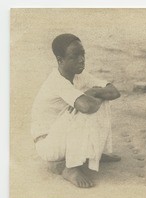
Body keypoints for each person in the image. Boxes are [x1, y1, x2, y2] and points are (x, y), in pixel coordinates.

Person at [31, 33, 121, 188]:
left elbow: (114, 92)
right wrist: (91, 95)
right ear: (60, 60)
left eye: (82, 54)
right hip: (48, 143)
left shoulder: (79, 75)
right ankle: (70, 168)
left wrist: (92, 93)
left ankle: (94, 153)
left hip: (61, 134)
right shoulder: (57, 81)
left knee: (95, 102)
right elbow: (87, 106)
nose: (81, 59)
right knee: (81, 109)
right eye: (74, 56)